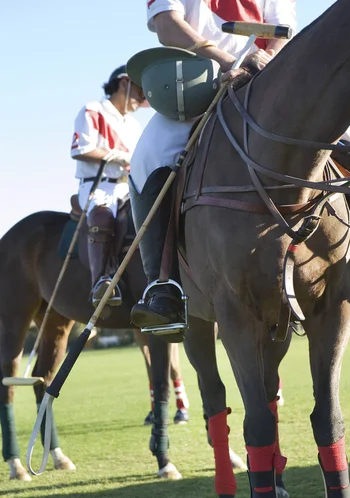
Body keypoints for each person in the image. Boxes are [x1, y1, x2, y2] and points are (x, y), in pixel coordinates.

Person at [129, 0, 297, 338]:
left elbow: (284, 31)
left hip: (269, 82)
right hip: (197, 87)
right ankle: (164, 287)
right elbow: (167, 24)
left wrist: (263, 61)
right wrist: (228, 60)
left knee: (339, 133)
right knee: (149, 156)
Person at [71, 66, 146, 307]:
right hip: (97, 186)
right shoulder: (92, 110)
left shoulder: (134, 125)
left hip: (127, 187)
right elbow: (80, 150)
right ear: (124, 82)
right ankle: (101, 282)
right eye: (139, 91)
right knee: (103, 217)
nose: (142, 99)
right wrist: (118, 156)